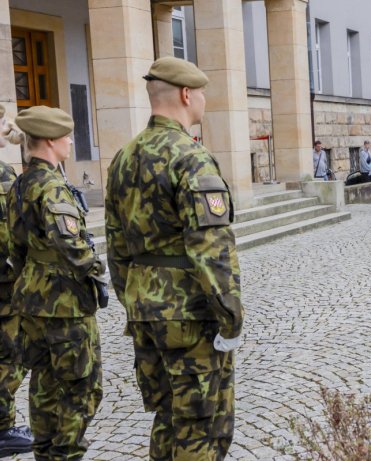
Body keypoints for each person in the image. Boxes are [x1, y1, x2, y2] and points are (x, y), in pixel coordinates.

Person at [105, 56, 243, 461]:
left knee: (167, 417)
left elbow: (115, 244)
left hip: (145, 310)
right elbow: (211, 249)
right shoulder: (191, 157)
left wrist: (134, 298)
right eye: (200, 93)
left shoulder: (124, 157)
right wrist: (231, 315)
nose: (203, 101)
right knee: (203, 425)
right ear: (186, 95)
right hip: (189, 314)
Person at [7, 105, 104, 460]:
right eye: (65, 136)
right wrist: (96, 270)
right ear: (49, 140)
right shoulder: (51, 186)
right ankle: (65, 454)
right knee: (82, 386)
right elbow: (72, 246)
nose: (68, 142)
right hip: (63, 301)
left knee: (45, 381)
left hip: (32, 298)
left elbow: (15, 248)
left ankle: (45, 451)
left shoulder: (19, 184)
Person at [0, 104, 33, 457]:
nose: (6, 126)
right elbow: (13, 238)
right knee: (10, 357)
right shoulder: (4, 175)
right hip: (5, 287)